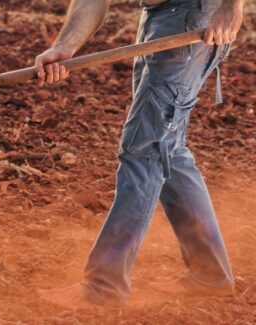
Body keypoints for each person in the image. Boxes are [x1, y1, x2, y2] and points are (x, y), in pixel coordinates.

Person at [34, 0, 244, 307]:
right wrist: (65, 46)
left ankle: (104, 286)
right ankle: (209, 274)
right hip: (161, 17)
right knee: (165, 148)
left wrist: (233, 5)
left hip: (195, 18)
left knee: (144, 150)